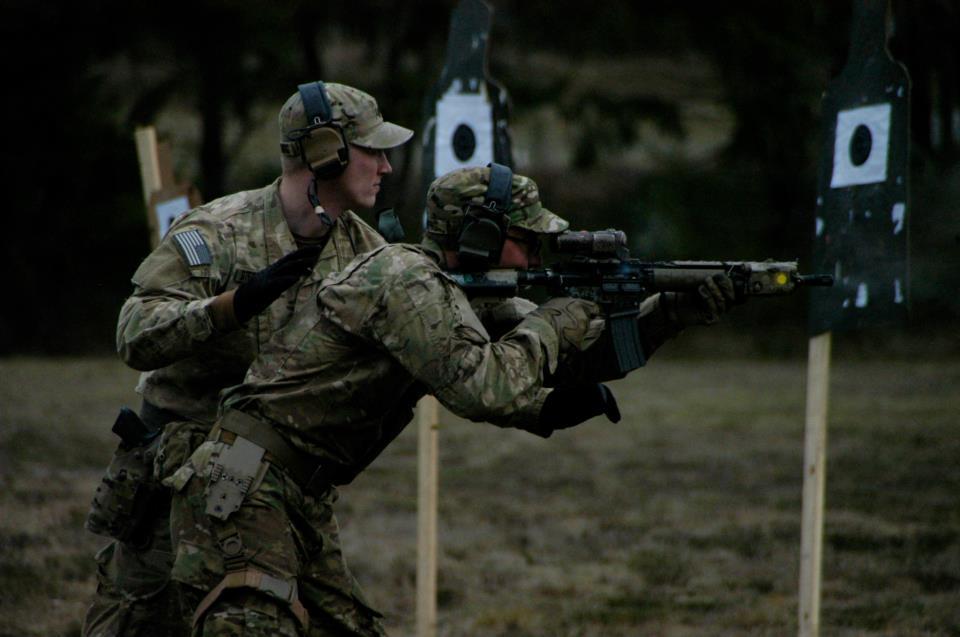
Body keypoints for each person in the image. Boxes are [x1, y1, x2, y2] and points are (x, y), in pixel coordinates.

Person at [165, 164, 740, 636]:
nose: (538, 254)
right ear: (479, 237)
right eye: (525, 239)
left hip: (289, 491)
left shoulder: (463, 295)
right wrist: (557, 320)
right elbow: (489, 388)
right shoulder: (407, 281)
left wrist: (669, 316)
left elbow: (568, 361)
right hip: (244, 484)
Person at [82, 81, 413, 637]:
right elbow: (134, 332)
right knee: (142, 623)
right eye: (371, 149)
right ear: (324, 152)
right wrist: (230, 307)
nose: (386, 165)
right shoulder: (217, 232)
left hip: (282, 489)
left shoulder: (367, 256)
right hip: (175, 483)